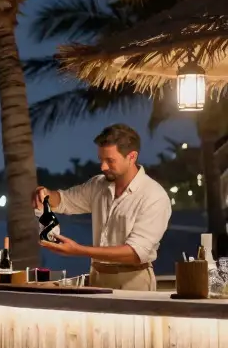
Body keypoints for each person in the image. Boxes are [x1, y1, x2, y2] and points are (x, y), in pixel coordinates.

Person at [33, 123, 171, 291]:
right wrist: (46, 194)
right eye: (101, 159)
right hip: (97, 277)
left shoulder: (153, 195)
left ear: (132, 157)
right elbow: (63, 200)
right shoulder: (98, 185)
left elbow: (136, 253)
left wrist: (79, 250)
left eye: (110, 160)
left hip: (134, 281)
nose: (103, 167)